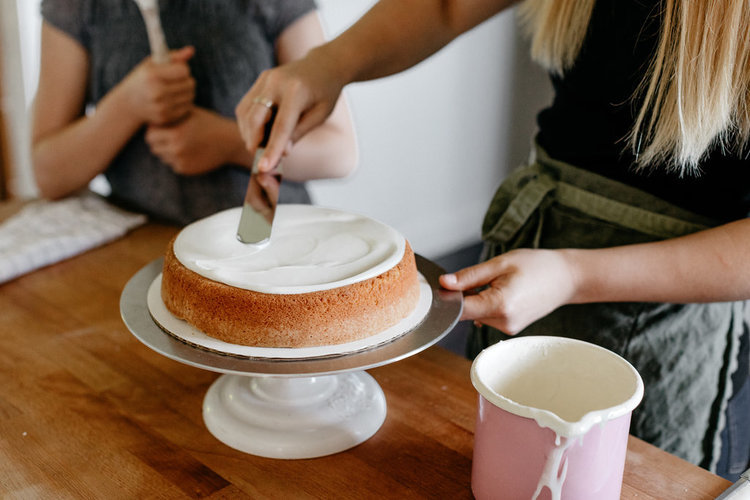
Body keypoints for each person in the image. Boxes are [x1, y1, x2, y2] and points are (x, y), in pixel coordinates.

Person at [234, 0, 750, 480]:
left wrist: (575, 275)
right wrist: (328, 64)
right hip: (536, 249)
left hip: (668, 307)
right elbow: (446, 7)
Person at [32, 0, 357, 226]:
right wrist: (126, 106)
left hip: (275, 241)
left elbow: (339, 152)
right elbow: (48, 175)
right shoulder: (77, 7)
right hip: (142, 257)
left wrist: (230, 143)